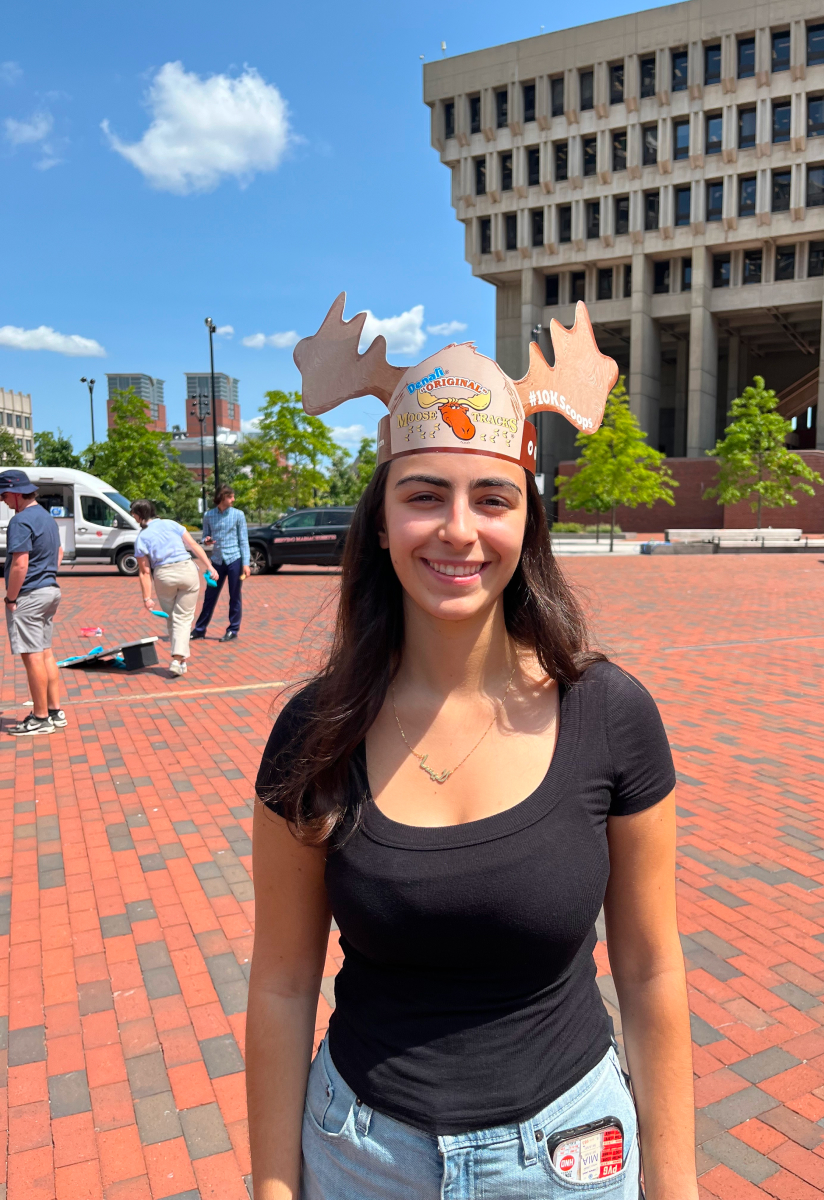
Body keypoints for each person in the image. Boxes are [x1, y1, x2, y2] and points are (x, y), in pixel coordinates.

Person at [248, 294, 695, 1199]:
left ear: (526, 520)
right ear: (381, 520)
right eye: (425, 496)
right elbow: (284, 982)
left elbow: (650, 968)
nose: (459, 529)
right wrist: (271, 1186)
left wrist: (675, 1184)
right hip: (361, 1157)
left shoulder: (610, 714)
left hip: (571, 1157)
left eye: (492, 497)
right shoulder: (314, 731)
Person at [0, 470, 65, 735]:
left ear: (16, 494)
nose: (3, 501)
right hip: (49, 590)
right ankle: (54, 711)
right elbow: (59, 551)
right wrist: (47, 574)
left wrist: (11, 597)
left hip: (29, 594)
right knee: (45, 652)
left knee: (32, 656)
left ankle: (40, 718)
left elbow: (19, 563)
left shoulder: (21, 520)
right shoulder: (47, 517)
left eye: (3, 495)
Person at [129, 501, 217, 678]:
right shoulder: (171, 524)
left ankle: (177, 659)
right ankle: (180, 660)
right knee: (182, 618)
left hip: (164, 575)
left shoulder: (142, 537)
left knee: (174, 619)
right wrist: (209, 566)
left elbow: (145, 571)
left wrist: (147, 597)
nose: (132, 516)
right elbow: (194, 545)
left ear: (139, 514)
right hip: (187, 570)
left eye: (133, 513)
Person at [194, 484, 250, 642]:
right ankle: (199, 629)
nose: (233, 499)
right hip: (217, 560)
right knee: (209, 596)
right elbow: (205, 536)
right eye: (230, 496)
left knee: (234, 596)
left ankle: (233, 629)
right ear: (222, 498)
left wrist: (245, 564)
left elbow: (243, 540)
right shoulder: (208, 515)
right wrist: (207, 540)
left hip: (234, 559)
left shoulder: (238, 515)